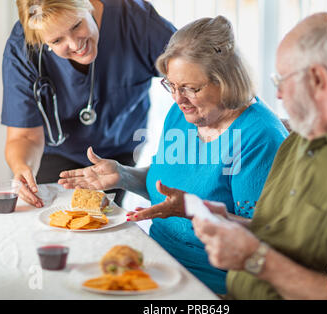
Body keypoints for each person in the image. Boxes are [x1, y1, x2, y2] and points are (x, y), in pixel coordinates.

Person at [58, 16, 288, 294]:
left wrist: (195, 211)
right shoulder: (183, 116)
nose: (178, 99)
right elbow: (167, 188)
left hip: (214, 284)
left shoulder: (260, 137)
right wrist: (123, 175)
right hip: (158, 262)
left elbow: (266, 238)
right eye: (171, 85)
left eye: (191, 88)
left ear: (227, 81)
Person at [191, 12, 327, 300]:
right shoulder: (304, 133)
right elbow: (292, 239)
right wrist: (230, 222)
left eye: (281, 80)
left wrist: (255, 259)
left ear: (318, 79)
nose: (279, 95)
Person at [1, 0, 176, 207]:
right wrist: (22, 167)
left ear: (88, 4)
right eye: (57, 40)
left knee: (104, 220)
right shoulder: (23, 47)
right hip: (57, 152)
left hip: (118, 151)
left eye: (76, 25)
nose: (76, 45)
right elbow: (25, 136)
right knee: (54, 218)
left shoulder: (136, 21)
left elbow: (191, 71)